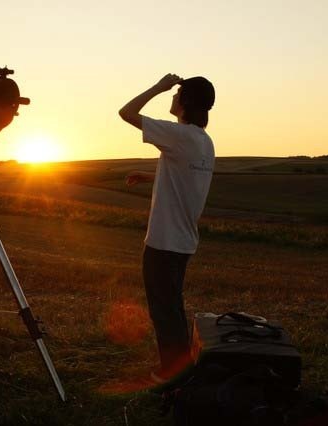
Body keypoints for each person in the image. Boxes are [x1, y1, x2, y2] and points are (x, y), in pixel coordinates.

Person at [118, 73, 216, 383]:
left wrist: (158, 86)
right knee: (171, 305)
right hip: (184, 240)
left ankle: (173, 373)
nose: (171, 98)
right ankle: (180, 365)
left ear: (185, 101)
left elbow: (126, 112)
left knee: (164, 310)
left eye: (176, 94)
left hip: (164, 241)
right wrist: (150, 176)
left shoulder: (179, 135)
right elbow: (184, 174)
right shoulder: (202, 141)